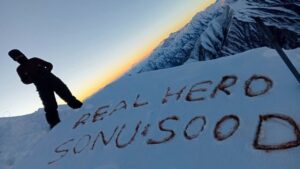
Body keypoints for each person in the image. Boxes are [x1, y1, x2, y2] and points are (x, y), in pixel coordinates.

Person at [8, 49, 83, 129]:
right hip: (42, 87)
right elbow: (24, 81)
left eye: (20, 55)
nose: (19, 57)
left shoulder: (34, 60)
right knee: (50, 106)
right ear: (14, 60)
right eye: (17, 57)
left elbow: (49, 65)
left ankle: (82, 109)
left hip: (54, 81)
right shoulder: (20, 69)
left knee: (68, 96)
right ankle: (55, 125)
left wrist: (45, 71)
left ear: (23, 54)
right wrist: (33, 78)